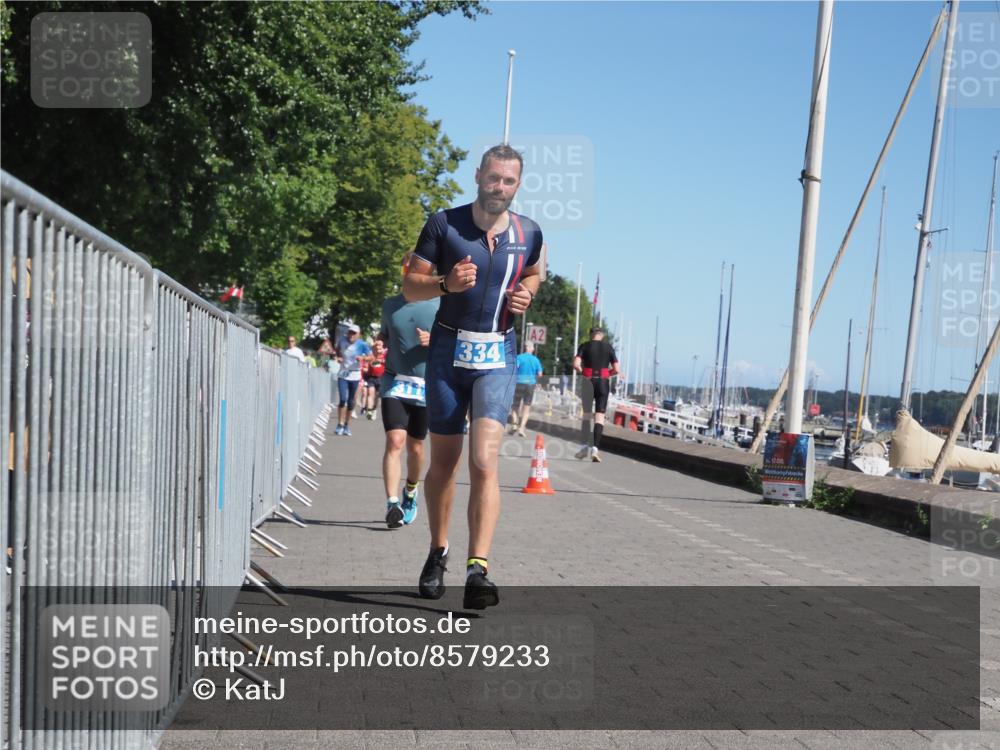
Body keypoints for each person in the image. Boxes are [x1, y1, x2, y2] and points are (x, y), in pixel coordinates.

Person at [403, 143, 543, 610]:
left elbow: (535, 273)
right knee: (444, 463)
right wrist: (445, 284)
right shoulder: (444, 224)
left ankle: (478, 569)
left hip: (497, 353)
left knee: (485, 462)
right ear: (479, 175)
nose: (499, 187)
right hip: (447, 350)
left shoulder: (529, 232)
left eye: (509, 181)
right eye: (493, 178)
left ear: (517, 185)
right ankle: (438, 550)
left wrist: (525, 293)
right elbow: (409, 284)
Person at [379, 267, 439, 529]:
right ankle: (393, 504)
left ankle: (410, 492)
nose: (410, 275)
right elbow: (384, 334)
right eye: (407, 270)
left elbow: (457, 340)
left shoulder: (441, 304)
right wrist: (379, 342)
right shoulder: (390, 305)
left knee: (416, 447)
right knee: (395, 440)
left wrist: (435, 339)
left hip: (426, 385)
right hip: (395, 381)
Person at [573, 326, 620, 462]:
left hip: (588, 382)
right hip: (603, 383)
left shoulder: (584, 346)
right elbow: (616, 369)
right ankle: (595, 450)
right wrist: (607, 375)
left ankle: (583, 448)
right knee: (600, 417)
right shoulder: (609, 347)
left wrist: (584, 372)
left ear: (590, 335)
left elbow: (576, 364)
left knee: (587, 415)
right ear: (602, 335)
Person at [334, 324, 371, 436]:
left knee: (351, 402)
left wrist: (363, 358)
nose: (351, 335)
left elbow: (372, 357)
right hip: (343, 374)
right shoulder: (342, 340)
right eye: (350, 332)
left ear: (358, 334)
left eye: (354, 333)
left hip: (355, 375)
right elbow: (337, 351)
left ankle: (346, 425)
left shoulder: (362, 344)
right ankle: (339, 424)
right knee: (342, 399)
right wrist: (338, 357)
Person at [510, 342, 543, 437]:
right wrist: (535, 379)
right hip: (530, 384)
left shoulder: (519, 357)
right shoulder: (536, 360)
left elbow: (514, 369)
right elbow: (540, 374)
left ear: (525, 348)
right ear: (531, 348)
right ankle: (521, 428)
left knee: (515, 406)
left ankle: (515, 424)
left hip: (519, 383)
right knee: (526, 407)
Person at [362, 339, 388, 420]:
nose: (378, 350)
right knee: (370, 393)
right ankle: (369, 411)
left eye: (380, 348)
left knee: (377, 396)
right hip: (371, 377)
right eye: (376, 348)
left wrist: (381, 361)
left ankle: (374, 409)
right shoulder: (371, 356)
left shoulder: (386, 355)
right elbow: (367, 362)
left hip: (381, 378)